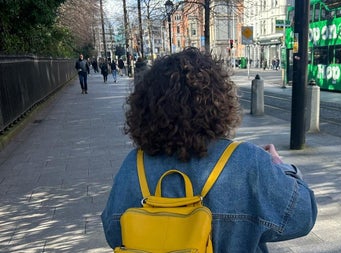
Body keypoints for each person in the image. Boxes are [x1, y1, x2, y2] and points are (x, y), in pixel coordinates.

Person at [101, 47, 317, 252]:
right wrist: (280, 167)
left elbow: (113, 232)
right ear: (219, 102)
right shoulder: (247, 162)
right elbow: (302, 216)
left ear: (145, 108)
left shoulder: (134, 165)